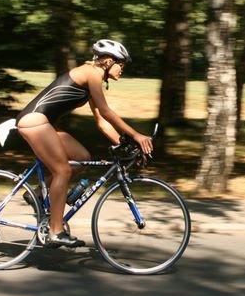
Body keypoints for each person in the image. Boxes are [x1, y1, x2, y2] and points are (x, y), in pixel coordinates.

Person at [15, 39, 153, 247]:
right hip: (33, 121)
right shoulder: (91, 73)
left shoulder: (92, 79)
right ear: (108, 61)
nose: (122, 69)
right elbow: (106, 111)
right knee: (63, 171)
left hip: (45, 123)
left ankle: (36, 194)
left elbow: (101, 122)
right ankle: (55, 231)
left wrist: (125, 144)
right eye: (121, 64)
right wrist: (136, 135)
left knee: (82, 159)